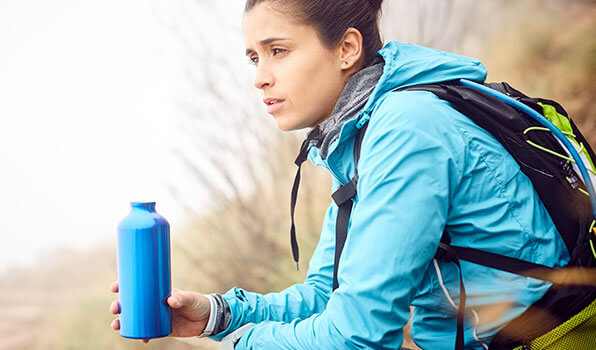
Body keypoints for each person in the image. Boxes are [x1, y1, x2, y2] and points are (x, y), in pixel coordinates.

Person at [109, 0, 570, 348]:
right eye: (254, 57)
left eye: (278, 51)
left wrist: (238, 344)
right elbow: (328, 296)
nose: (260, 77)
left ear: (347, 48)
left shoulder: (408, 129)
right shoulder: (359, 137)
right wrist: (214, 316)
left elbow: (357, 335)